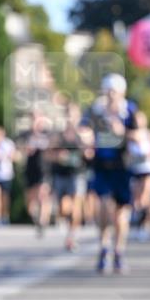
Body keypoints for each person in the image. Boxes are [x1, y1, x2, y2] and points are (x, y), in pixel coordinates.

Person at [83, 73, 137, 273]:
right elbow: (83, 129)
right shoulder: (96, 111)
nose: (111, 95)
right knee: (104, 209)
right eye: (108, 91)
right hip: (102, 166)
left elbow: (140, 134)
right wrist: (85, 140)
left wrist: (123, 132)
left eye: (114, 91)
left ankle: (119, 251)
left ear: (121, 92)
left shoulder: (129, 111)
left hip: (122, 168)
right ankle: (104, 248)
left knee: (121, 216)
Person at [48, 103, 89, 251]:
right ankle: (69, 229)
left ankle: (72, 236)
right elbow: (48, 154)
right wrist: (58, 156)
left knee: (76, 205)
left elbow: (90, 153)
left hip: (77, 173)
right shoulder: (58, 135)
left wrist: (86, 150)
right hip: (61, 174)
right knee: (64, 208)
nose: (70, 118)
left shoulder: (84, 133)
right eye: (67, 114)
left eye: (73, 114)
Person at [127, 110, 150, 240]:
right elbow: (125, 154)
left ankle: (143, 227)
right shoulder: (129, 135)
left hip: (148, 169)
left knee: (145, 198)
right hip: (135, 170)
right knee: (136, 201)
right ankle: (137, 224)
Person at [21, 111, 52, 235]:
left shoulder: (47, 134)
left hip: (44, 169)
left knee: (43, 195)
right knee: (30, 201)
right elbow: (19, 150)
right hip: (30, 169)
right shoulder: (25, 135)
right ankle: (35, 217)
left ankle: (43, 221)